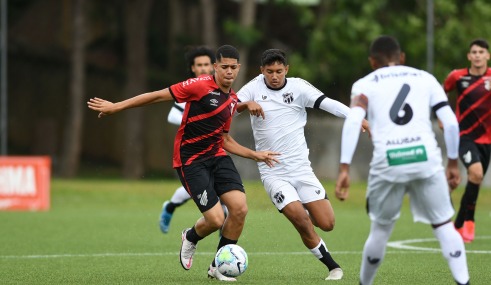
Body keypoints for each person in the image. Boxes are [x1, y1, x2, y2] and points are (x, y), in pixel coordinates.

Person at [88, 45, 280, 281]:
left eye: (233, 67)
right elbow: (157, 95)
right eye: (224, 67)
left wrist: (255, 154)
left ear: (238, 68)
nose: (229, 71)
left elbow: (225, 139)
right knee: (216, 219)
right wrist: (116, 106)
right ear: (215, 67)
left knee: (239, 209)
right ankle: (190, 237)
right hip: (190, 160)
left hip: (217, 156)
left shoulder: (231, 99)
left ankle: (217, 268)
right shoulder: (199, 85)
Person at [335, 35, 469, 285]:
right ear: (402, 57)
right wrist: (452, 162)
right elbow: (450, 122)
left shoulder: (365, 83)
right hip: (426, 159)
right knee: (443, 225)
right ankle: (464, 282)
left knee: (380, 230)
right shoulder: (425, 78)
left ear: (372, 62)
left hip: (388, 163)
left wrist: (344, 167)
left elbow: (354, 121)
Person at [235, 49, 370, 280]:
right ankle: (333, 268)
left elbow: (329, 104)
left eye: (279, 71)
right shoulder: (253, 88)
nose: (274, 76)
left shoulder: (298, 87)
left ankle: (304, 204)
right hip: (273, 171)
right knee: (302, 222)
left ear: (286, 69)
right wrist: (246, 104)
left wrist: (355, 117)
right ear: (262, 71)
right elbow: (229, 106)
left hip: (301, 169)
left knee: (326, 224)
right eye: (269, 72)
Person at [160, 46, 229, 235]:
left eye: (207, 64)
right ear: (192, 68)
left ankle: (223, 231)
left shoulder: (220, 88)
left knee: (215, 190)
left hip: (215, 150)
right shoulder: (189, 88)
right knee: (204, 190)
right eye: (199, 65)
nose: (203, 68)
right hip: (191, 152)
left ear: (213, 66)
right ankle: (172, 207)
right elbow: (172, 116)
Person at [442, 38, 491, 243]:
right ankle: (469, 222)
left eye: (482, 51)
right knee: (476, 173)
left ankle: (458, 224)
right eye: (474, 52)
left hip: (487, 140)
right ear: (469, 56)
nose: (478, 55)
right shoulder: (457, 76)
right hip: (463, 137)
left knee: (475, 180)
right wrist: (442, 117)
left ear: (487, 56)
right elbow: (440, 93)